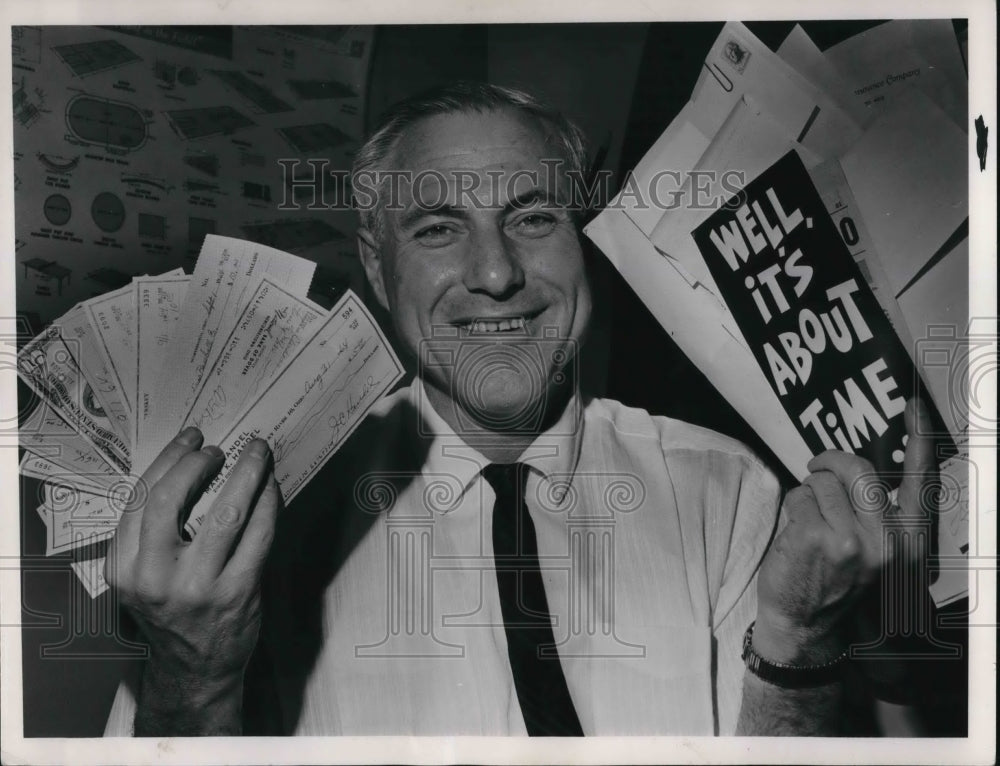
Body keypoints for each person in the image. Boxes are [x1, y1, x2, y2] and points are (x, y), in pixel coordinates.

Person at [102, 82, 936, 736]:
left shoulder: (730, 492)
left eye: (534, 217)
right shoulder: (255, 521)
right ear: (378, 267)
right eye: (437, 230)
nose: (496, 274)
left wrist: (804, 643)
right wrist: (194, 671)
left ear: (586, 239)